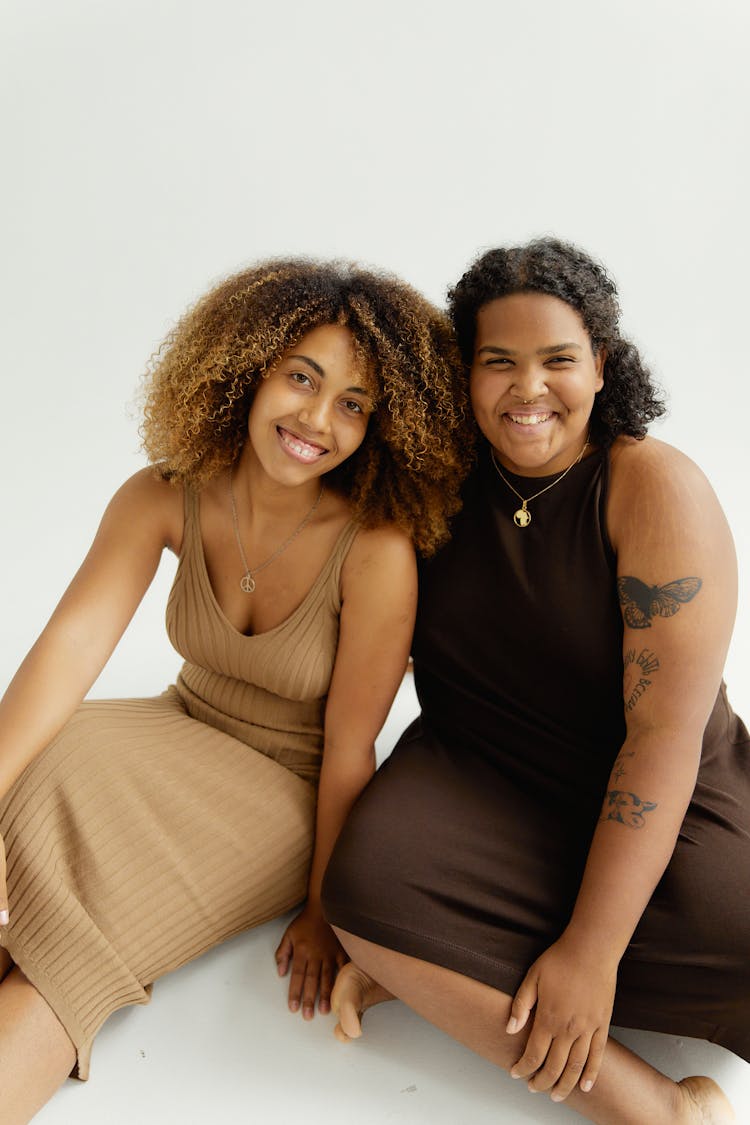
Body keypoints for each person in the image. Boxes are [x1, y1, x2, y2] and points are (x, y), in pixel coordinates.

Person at [0, 258, 471, 1123]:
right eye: (302, 377)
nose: (317, 421)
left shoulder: (376, 550)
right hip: (166, 726)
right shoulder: (163, 495)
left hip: (282, 791)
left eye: (354, 404)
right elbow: (69, 650)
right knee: (16, 800)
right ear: (249, 368)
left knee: (66, 946)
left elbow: (349, 746)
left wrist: (328, 904)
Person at [322, 238, 749, 1124]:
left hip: (661, 791)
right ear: (463, 371)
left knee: (735, 929)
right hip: (480, 774)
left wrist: (591, 954)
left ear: (600, 363)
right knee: (363, 893)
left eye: (558, 359)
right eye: (497, 362)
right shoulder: (430, 480)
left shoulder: (652, 487)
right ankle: (662, 1109)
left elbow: (662, 740)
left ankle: (457, 967)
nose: (528, 389)